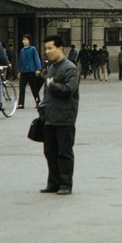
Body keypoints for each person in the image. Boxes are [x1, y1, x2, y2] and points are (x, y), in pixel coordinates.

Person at [39, 35, 80, 195]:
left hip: (65, 117)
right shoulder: (51, 67)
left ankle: (65, 184)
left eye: (50, 48)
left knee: (64, 152)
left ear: (60, 49)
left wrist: (51, 84)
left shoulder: (70, 68)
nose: (47, 52)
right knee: (50, 151)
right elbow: (46, 91)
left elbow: (68, 90)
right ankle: (53, 182)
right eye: (46, 49)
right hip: (49, 117)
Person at [16, 34, 42, 110]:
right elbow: (20, 61)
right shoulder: (22, 50)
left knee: (34, 88)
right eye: (23, 40)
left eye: (25, 40)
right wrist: (19, 71)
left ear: (29, 41)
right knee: (21, 88)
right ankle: (21, 104)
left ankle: (38, 102)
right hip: (23, 71)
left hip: (31, 71)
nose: (23, 41)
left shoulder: (33, 49)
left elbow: (36, 58)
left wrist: (38, 69)